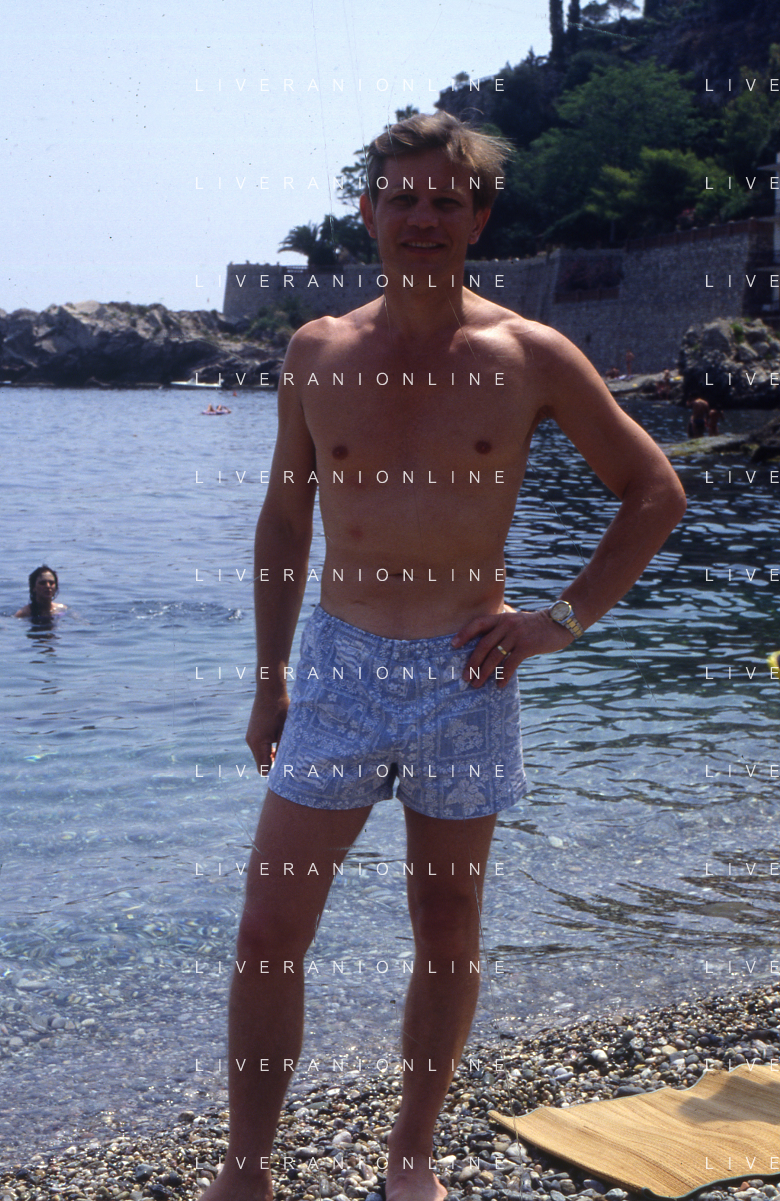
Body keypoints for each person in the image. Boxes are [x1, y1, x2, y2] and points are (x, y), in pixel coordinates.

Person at [201, 112, 686, 1201]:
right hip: (337, 670)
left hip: (468, 676)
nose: (423, 216)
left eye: (445, 200)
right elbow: (283, 521)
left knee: (446, 923)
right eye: (403, 197)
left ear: (478, 218)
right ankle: (245, 1170)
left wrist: (559, 622)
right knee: (270, 926)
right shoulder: (317, 351)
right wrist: (269, 679)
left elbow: (655, 492)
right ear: (367, 210)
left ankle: (411, 1157)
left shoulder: (528, 354)